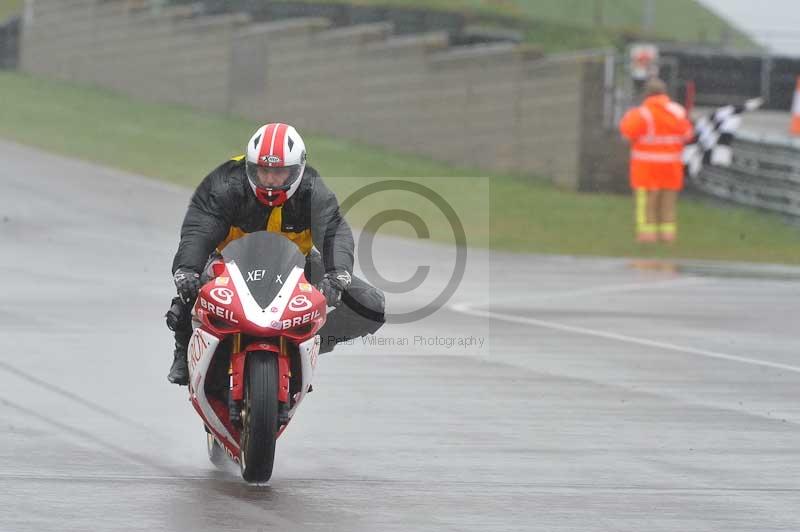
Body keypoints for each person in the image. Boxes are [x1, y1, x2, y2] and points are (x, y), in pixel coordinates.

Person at [166, 123, 386, 385]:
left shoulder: (313, 190)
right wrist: (187, 269)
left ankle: (301, 345)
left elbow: (333, 231)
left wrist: (337, 274)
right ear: (250, 166)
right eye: (263, 171)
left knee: (369, 306)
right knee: (188, 290)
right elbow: (199, 227)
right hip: (228, 263)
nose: (270, 180)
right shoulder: (225, 183)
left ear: (297, 170)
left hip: (294, 265)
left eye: (279, 173)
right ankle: (184, 351)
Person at [619, 78, 693, 243]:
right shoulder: (677, 111)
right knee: (668, 204)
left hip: (646, 167)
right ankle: (668, 237)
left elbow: (626, 134)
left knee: (647, 203)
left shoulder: (641, 113)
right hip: (672, 166)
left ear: (646, 94)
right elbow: (687, 135)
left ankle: (647, 237)